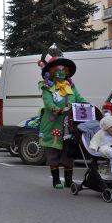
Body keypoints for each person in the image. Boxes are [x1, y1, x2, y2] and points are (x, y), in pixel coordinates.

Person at [38, 46, 87, 189]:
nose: (60, 72)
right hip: (53, 125)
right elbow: (48, 103)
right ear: (51, 72)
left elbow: (80, 99)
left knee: (68, 152)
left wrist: (89, 106)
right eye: (57, 70)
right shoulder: (47, 88)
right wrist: (59, 110)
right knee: (53, 153)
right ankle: (55, 180)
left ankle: (68, 180)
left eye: (63, 70)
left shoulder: (71, 87)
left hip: (69, 125)